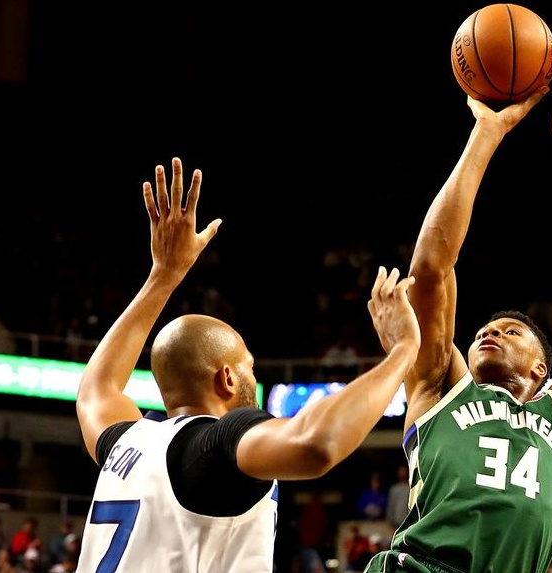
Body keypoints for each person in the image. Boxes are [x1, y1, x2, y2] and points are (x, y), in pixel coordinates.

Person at [74, 157, 422, 573]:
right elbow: (316, 444)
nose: (253, 378)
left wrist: (163, 276)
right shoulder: (216, 445)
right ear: (225, 378)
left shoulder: (125, 444)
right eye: (248, 367)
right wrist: (402, 351)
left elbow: (97, 388)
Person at [364, 28, 552, 573]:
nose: (489, 332)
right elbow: (430, 269)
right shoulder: (438, 386)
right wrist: (486, 132)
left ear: (543, 368)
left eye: (512, 332)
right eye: (486, 329)